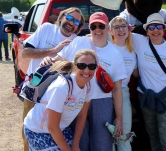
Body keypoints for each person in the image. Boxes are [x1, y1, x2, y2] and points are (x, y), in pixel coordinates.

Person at [41, 12, 127, 150]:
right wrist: (48, 60)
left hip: (102, 100)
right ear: (90, 28)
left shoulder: (115, 53)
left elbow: (117, 89)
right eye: (94, 26)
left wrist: (119, 117)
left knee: (102, 143)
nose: (98, 29)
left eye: (101, 26)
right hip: (77, 98)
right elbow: (60, 59)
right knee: (80, 141)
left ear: (108, 28)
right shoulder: (80, 42)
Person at [21, 7, 85, 151]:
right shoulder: (46, 29)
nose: (72, 23)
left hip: (57, 93)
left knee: (52, 128)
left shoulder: (76, 41)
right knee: (28, 127)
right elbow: (25, 53)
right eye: (69, 18)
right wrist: (53, 51)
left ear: (78, 26)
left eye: (76, 21)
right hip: (35, 86)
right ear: (61, 17)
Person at [24, 49, 97, 150]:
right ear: (75, 66)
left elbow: (82, 116)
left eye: (92, 66)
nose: (87, 71)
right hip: (37, 129)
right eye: (82, 66)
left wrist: (76, 145)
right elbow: (52, 127)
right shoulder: (61, 87)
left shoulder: (90, 83)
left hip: (60, 128)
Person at [131, 13, 166, 151]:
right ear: (147, 30)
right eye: (151, 27)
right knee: (152, 135)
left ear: (164, 29)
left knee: (165, 137)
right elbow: (117, 30)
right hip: (146, 97)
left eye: (159, 26)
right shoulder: (139, 41)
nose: (155, 30)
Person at [109, 16, 138, 151]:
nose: (121, 30)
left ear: (128, 29)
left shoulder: (132, 50)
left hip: (124, 92)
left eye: (123, 26)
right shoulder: (107, 48)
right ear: (111, 31)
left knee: (124, 135)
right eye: (116, 27)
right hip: (105, 95)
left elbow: (137, 73)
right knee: (107, 136)